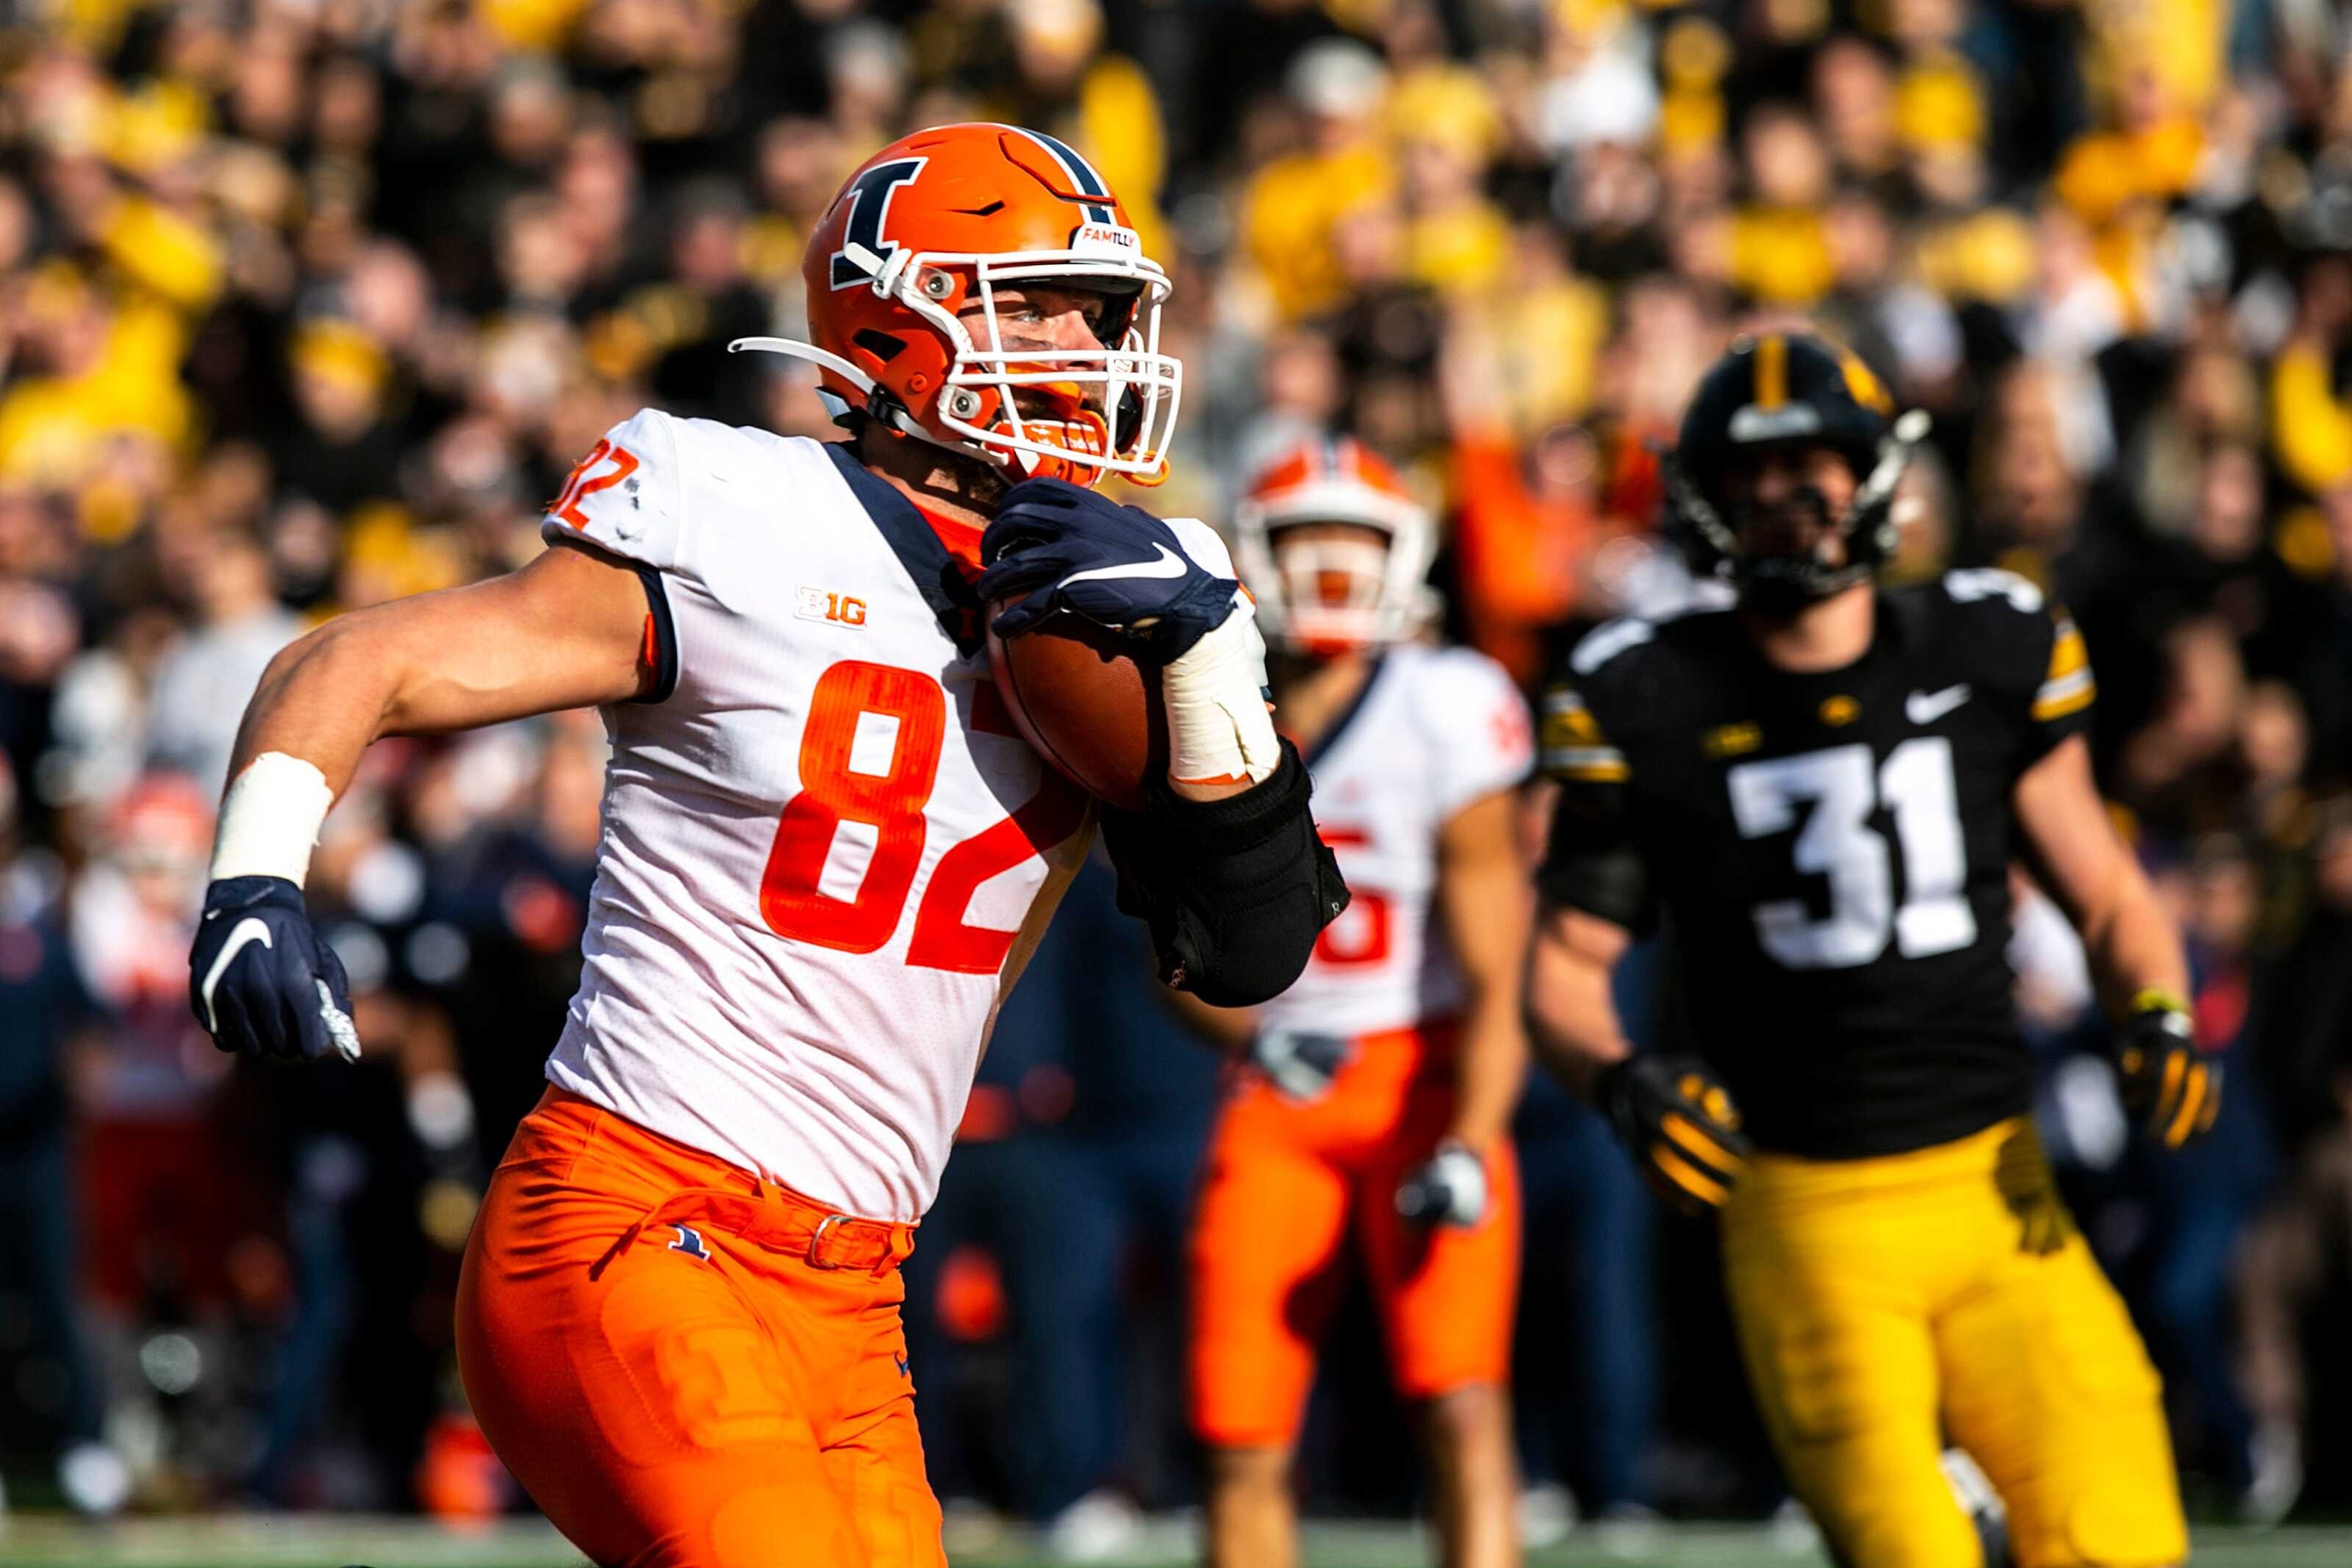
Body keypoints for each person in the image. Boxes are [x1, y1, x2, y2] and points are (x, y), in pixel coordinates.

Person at [185, 123, 1346, 1568]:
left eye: (1099, 310)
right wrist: (256, 870)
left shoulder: (1122, 591)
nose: (1084, 342)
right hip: (635, 1219)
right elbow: (374, 657)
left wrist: (1215, 664)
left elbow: (1250, 945)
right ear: (896, 313)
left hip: (856, 1289)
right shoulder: (738, 507)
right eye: (1032, 301)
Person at [1524, 331, 2215, 1568]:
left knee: (2119, 1539)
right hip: (1806, 1210)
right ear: (1704, 494)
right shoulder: (1645, 693)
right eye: (1756, 472)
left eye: (1817, 467)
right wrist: (1618, 1076)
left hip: (2001, 1191)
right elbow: (1564, 973)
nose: (1789, 498)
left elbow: (2109, 893)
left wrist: (2157, 1008)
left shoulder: (1988, 641)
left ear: (1877, 478)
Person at [1182, 437, 1532, 1568]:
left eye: (1357, 539)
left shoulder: (1447, 701)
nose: (1333, 566)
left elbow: (1498, 975)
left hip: (1422, 1079)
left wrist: (1474, 1136)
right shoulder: (1201, 701)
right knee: (1238, 1425)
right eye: (1306, 539)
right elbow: (1171, 953)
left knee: (1461, 1400)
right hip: (1281, 1095)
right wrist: (1254, 1034)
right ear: (1256, 553)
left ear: (1407, 554)